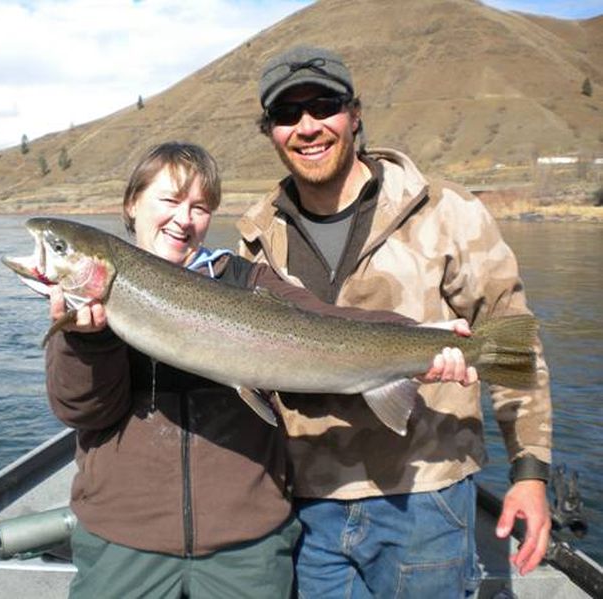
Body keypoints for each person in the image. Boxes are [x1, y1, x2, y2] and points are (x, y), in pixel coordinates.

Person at [44, 141, 473, 598]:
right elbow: (81, 411)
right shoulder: (91, 305)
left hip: (245, 545)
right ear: (133, 203)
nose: (183, 219)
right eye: (169, 201)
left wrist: (421, 336)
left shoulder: (247, 280)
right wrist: (87, 341)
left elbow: (329, 323)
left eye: (200, 207)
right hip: (123, 539)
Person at [237, 46, 553, 598]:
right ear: (271, 131)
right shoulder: (257, 234)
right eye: (288, 115)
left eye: (324, 106)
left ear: (354, 115)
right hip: (308, 505)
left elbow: (512, 344)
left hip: (425, 497)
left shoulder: (444, 210)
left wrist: (529, 472)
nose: (307, 127)